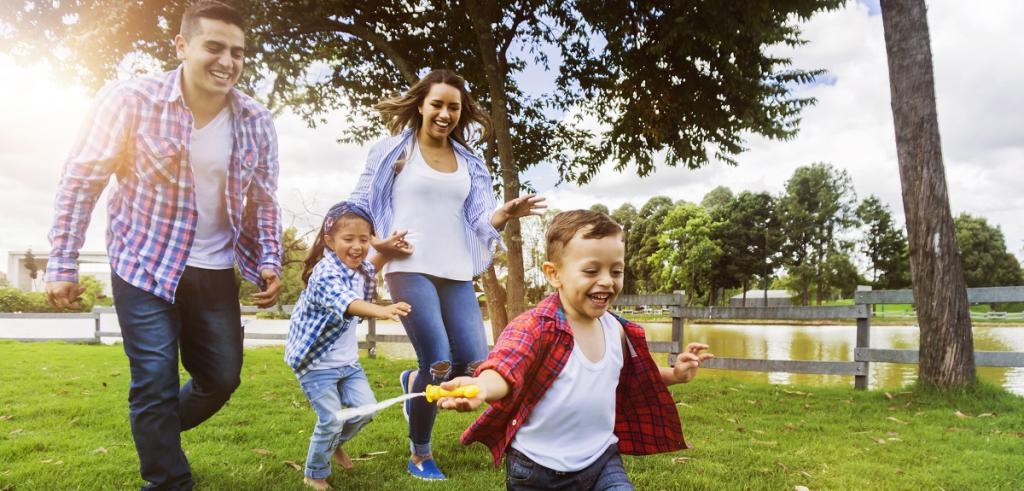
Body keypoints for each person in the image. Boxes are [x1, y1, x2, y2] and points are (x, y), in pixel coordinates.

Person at [44, 2, 281, 489]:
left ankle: (154, 432)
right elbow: (80, 181)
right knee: (153, 378)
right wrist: (62, 262)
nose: (227, 61)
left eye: (237, 52)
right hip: (145, 262)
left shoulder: (256, 120)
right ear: (181, 46)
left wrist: (269, 260)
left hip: (214, 270)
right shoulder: (130, 100)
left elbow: (263, 202)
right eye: (213, 47)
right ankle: (168, 478)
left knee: (221, 379)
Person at [349, 68, 546, 480]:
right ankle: (419, 453)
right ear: (420, 105)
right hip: (409, 265)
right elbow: (361, 202)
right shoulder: (393, 152)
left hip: (456, 268)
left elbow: (479, 218)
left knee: (475, 364)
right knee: (438, 362)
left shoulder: (470, 162)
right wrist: (375, 247)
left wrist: (504, 214)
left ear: (462, 112)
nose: (444, 113)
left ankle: (413, 384)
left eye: (453, 107)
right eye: (437, 104)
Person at [437, 210, 714, 490]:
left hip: (601, 459)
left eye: (616, 271)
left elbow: (634, 373)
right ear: (554, 274)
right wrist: (482, 386)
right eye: (591, 271)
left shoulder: (617, 330)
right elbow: (507, 365)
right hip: (536, 470)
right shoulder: (536, 327)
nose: (607, 280)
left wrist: (676, 374)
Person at [285, 201, 412, 491]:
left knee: (366, 410)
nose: (357, 246)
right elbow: (347, 302)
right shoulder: (325, 273)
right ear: (329, 241)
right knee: (330, 419)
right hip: (315, 364)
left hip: (347, 364)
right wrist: (381, 310)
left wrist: (385, 249)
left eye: (364, 239)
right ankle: (314, 473)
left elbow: (371, 265)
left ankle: (332, 443)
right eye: (348, 239)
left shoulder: (358, 268)